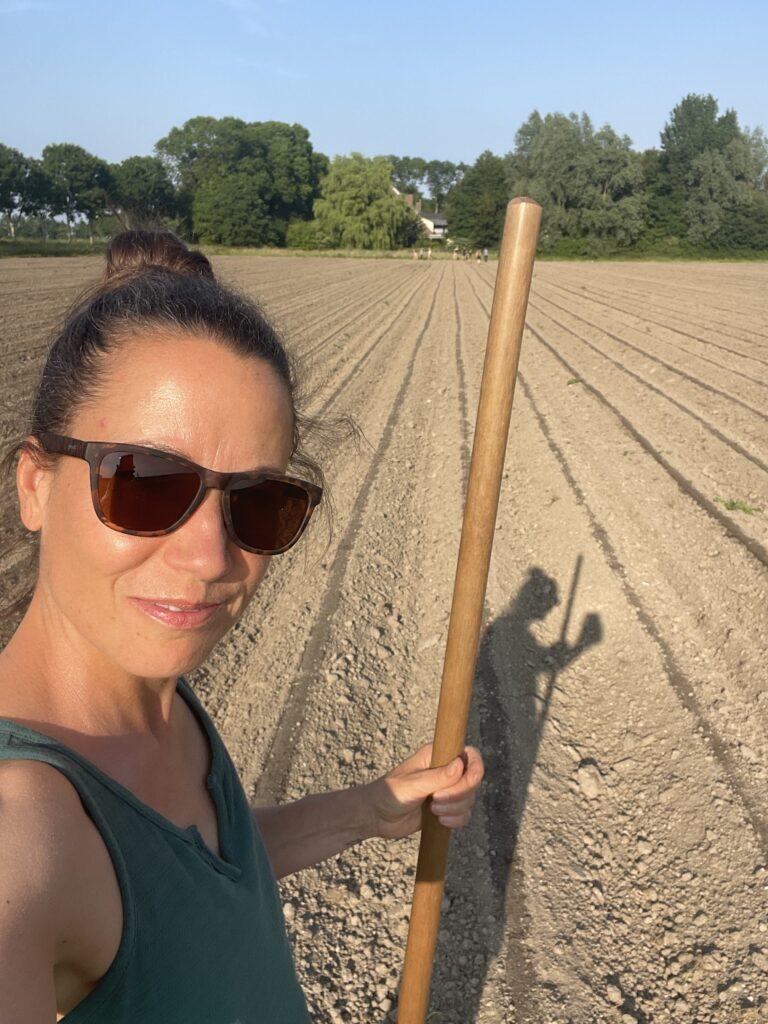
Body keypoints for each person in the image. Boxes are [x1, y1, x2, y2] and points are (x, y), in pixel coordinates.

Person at [0, 231, 484, 1022]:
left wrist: (372, 808)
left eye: (258, 502)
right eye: (147, 484)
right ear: (34, 485)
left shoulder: (153, 702)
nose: (209, 556)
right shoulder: (23, 830)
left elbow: (203, 870)